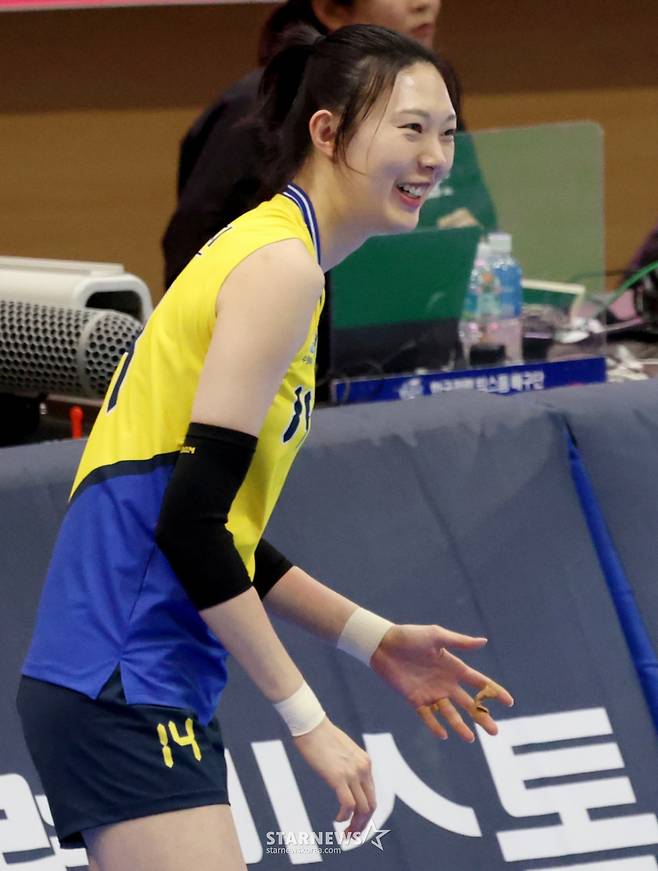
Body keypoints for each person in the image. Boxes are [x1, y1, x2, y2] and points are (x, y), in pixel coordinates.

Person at [18, 24, 513, 871]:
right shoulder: (281, 268)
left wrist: (373, 639)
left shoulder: (279, 253)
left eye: (447, 132)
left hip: (128, 672)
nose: (435, 157)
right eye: (410, 129)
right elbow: (189, 527)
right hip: (124, 672)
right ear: (327, 131)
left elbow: (220, 527)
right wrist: (308, 719)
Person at [162, 0, 495, 290]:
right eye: (412, 128)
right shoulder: (281, 260)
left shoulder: (433, 100)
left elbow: (480, 223)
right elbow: (193, 256)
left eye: (446, 132)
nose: (424, 4)